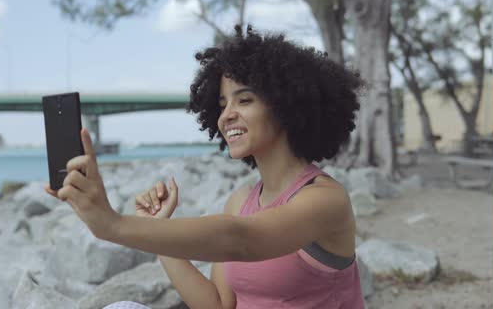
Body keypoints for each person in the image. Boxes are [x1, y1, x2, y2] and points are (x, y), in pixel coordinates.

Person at [45, 25, 365, 309]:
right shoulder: (241, 201)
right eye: (223, 104)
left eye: (244, 100)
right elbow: (218, 304)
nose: (226, 115)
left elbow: (241, 239)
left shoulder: (326, 200)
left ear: (287, 105)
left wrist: (112, 225)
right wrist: (158, 225)